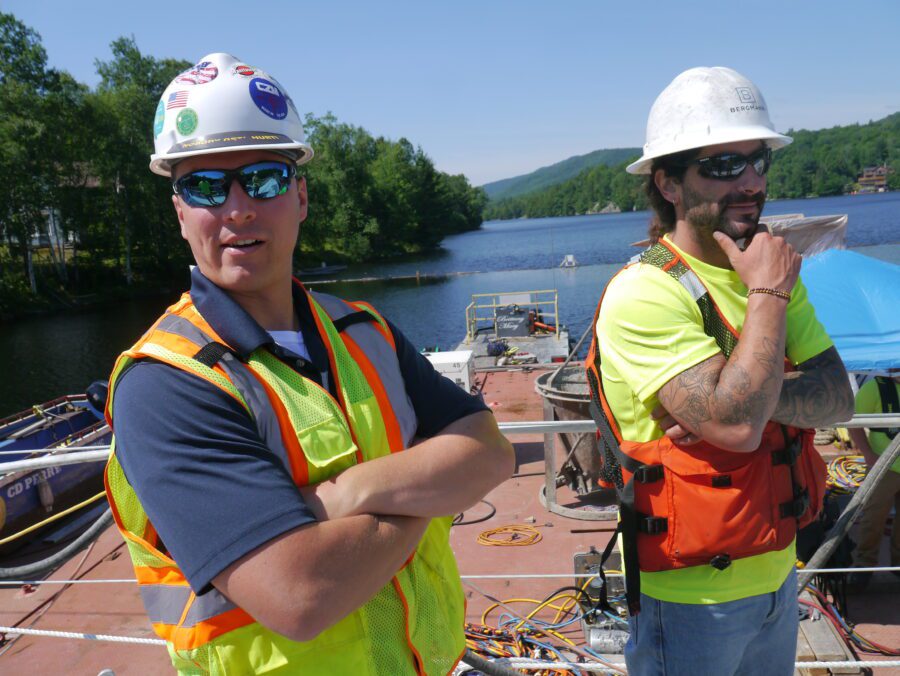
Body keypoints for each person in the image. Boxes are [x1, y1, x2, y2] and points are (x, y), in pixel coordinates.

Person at [103, 52, 515, 675]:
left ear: (299, 196)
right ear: (180, 212)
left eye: (263, 179)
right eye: (206, 186)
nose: (238, 208)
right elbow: (300, 596)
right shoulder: (167, 385)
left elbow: (491, 453)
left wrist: (346, 494)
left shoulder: (362, 330)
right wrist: (429, 489)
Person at [584, 67, 854, 676]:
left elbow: (838, 398)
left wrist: (747, 399)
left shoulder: (773, 273)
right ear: (669, 184)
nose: (752, 182)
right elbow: (735, 426)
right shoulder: (645, 293)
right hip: (688, 602)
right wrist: (765, 299)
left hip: (780, 575)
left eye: (759, 161)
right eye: (725, 166)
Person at [847, 374, 900, 590]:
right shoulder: (874, 389)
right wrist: (868, 454)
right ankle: (863, 568)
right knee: (873, 518)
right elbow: (853, 422)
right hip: (884, 467)